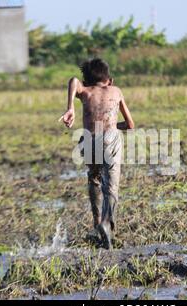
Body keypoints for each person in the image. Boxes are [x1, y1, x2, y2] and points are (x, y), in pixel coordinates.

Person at [59, 58, 135, 249]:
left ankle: (96, 221)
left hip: (89, 140)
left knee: (94, 178)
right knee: (111, 186)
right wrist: (112, 125)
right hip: (110, 140)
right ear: (110, 80)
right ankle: (107, 223)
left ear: (88, 81)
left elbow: (73, 81)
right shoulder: (116, 91)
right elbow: (130, 125)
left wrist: (70, 108)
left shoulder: (85, 91)